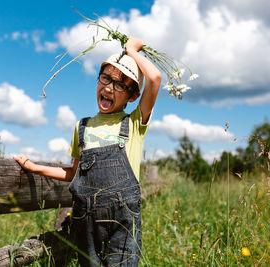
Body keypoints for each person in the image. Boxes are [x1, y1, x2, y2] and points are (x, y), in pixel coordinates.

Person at [14, 36, 161, 266]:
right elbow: (74, 174)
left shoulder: (133, 123)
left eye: (121, 84)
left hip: (123, 220)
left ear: (133, 96)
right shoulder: (82, 127)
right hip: (87, 220)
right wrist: (34, 168)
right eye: (106, 78)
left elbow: (154, 78)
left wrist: (132, 51)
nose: (109, 88)